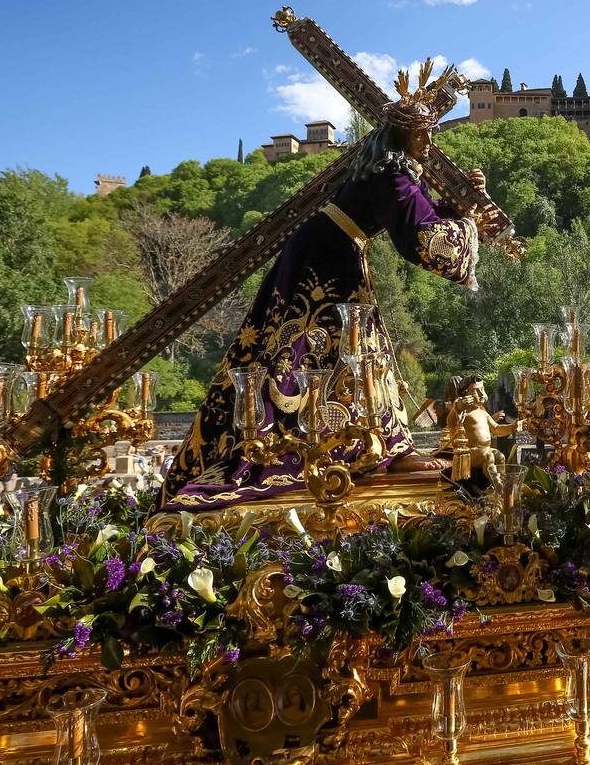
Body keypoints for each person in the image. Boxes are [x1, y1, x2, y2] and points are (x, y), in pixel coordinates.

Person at [162, 67, 484, 510]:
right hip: (327, 259)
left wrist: (459, 206)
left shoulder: (390, 171)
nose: (429, 146)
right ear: (402, 137)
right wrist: (466, 222)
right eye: (423, 137)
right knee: (324, 352)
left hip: (328, 251)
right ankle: (348, 448)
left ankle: (375, 445)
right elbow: (422, 241)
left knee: (348, 349)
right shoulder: (392, 174)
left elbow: (421, 212)